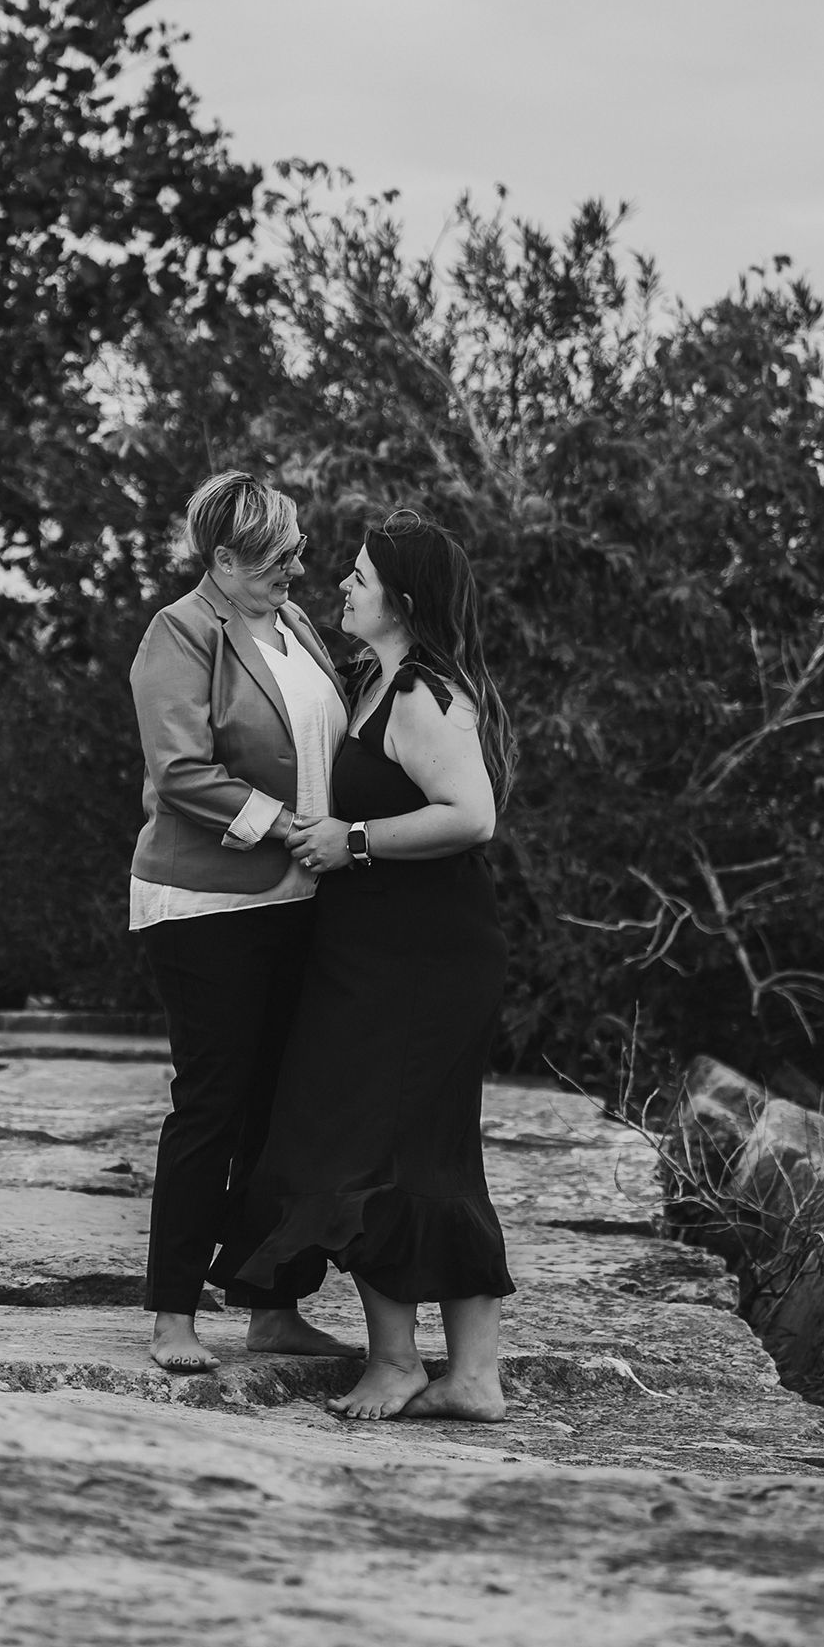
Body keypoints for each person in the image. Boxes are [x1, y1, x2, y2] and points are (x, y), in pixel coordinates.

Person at [224, 509, 517, 1421]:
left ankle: (400, 1364)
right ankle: (471, 1376)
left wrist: (351, 839)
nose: (344, 585)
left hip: (421, 963)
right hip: (382, 955)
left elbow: (471, 816)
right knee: (415, 1153)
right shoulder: (372, 682)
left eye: (360, 575)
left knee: (372, 1152)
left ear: (404, 599)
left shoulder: (423, 693)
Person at [128, 469, 360, 1377]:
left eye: (297, 551)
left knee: (284, 1111)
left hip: (304, 900)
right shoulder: (180, 631)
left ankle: (273, 1308)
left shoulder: (296, 625)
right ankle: (173, 1315)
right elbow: (180, 770)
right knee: (213, 1107)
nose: (297, 569)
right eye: (276, 558)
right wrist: (286, 826)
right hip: (206, 906)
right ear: (223, 560)